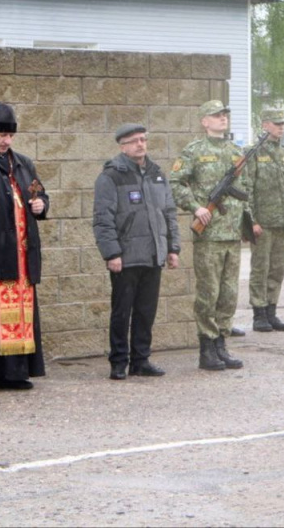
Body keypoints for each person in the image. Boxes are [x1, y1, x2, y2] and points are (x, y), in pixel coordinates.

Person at [92, 123, 181, 381]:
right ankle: (118, 361)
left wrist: (172, 248)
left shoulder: (157, 175)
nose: (140, 144)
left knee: (146, 311)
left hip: (153, 255)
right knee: (122, 312)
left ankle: (141, 360)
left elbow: (169, 213)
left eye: (143, 139)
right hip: (126, 257)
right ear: (122, 146)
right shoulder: (111, 177)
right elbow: (102, 219)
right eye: (134, 141)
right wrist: (111, 254)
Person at [170, 100, 252, 372]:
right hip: (209, 235)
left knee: (229, 293)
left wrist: (247, 224)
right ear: (204, 121)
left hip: (231, 233)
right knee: (209, 292)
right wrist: (196, 207)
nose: (222, 119)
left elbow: (245, 189)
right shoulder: (194, 151)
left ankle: (222, 344)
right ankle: (207, 348)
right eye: (216, 116)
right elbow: (176, 183)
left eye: (224, 115)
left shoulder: (236, 151)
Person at [0, 104, 48, 391]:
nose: (6, 141)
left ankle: (15, 373)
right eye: (0, 134)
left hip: (21, 256)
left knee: (22, 316)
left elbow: (39, 193)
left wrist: (41, 205)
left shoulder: (23, 164)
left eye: (10, 135)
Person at [246, 108, 284, 333]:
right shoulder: (253, 153)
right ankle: (259, 313)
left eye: (283, 123)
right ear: (265, 124)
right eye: (277, 123)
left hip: (282, 221)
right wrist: (252, 221)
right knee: (261, 267)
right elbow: (247, 188)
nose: (281, 127)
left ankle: (271, 310)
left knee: (277, 268)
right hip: (263, 222)